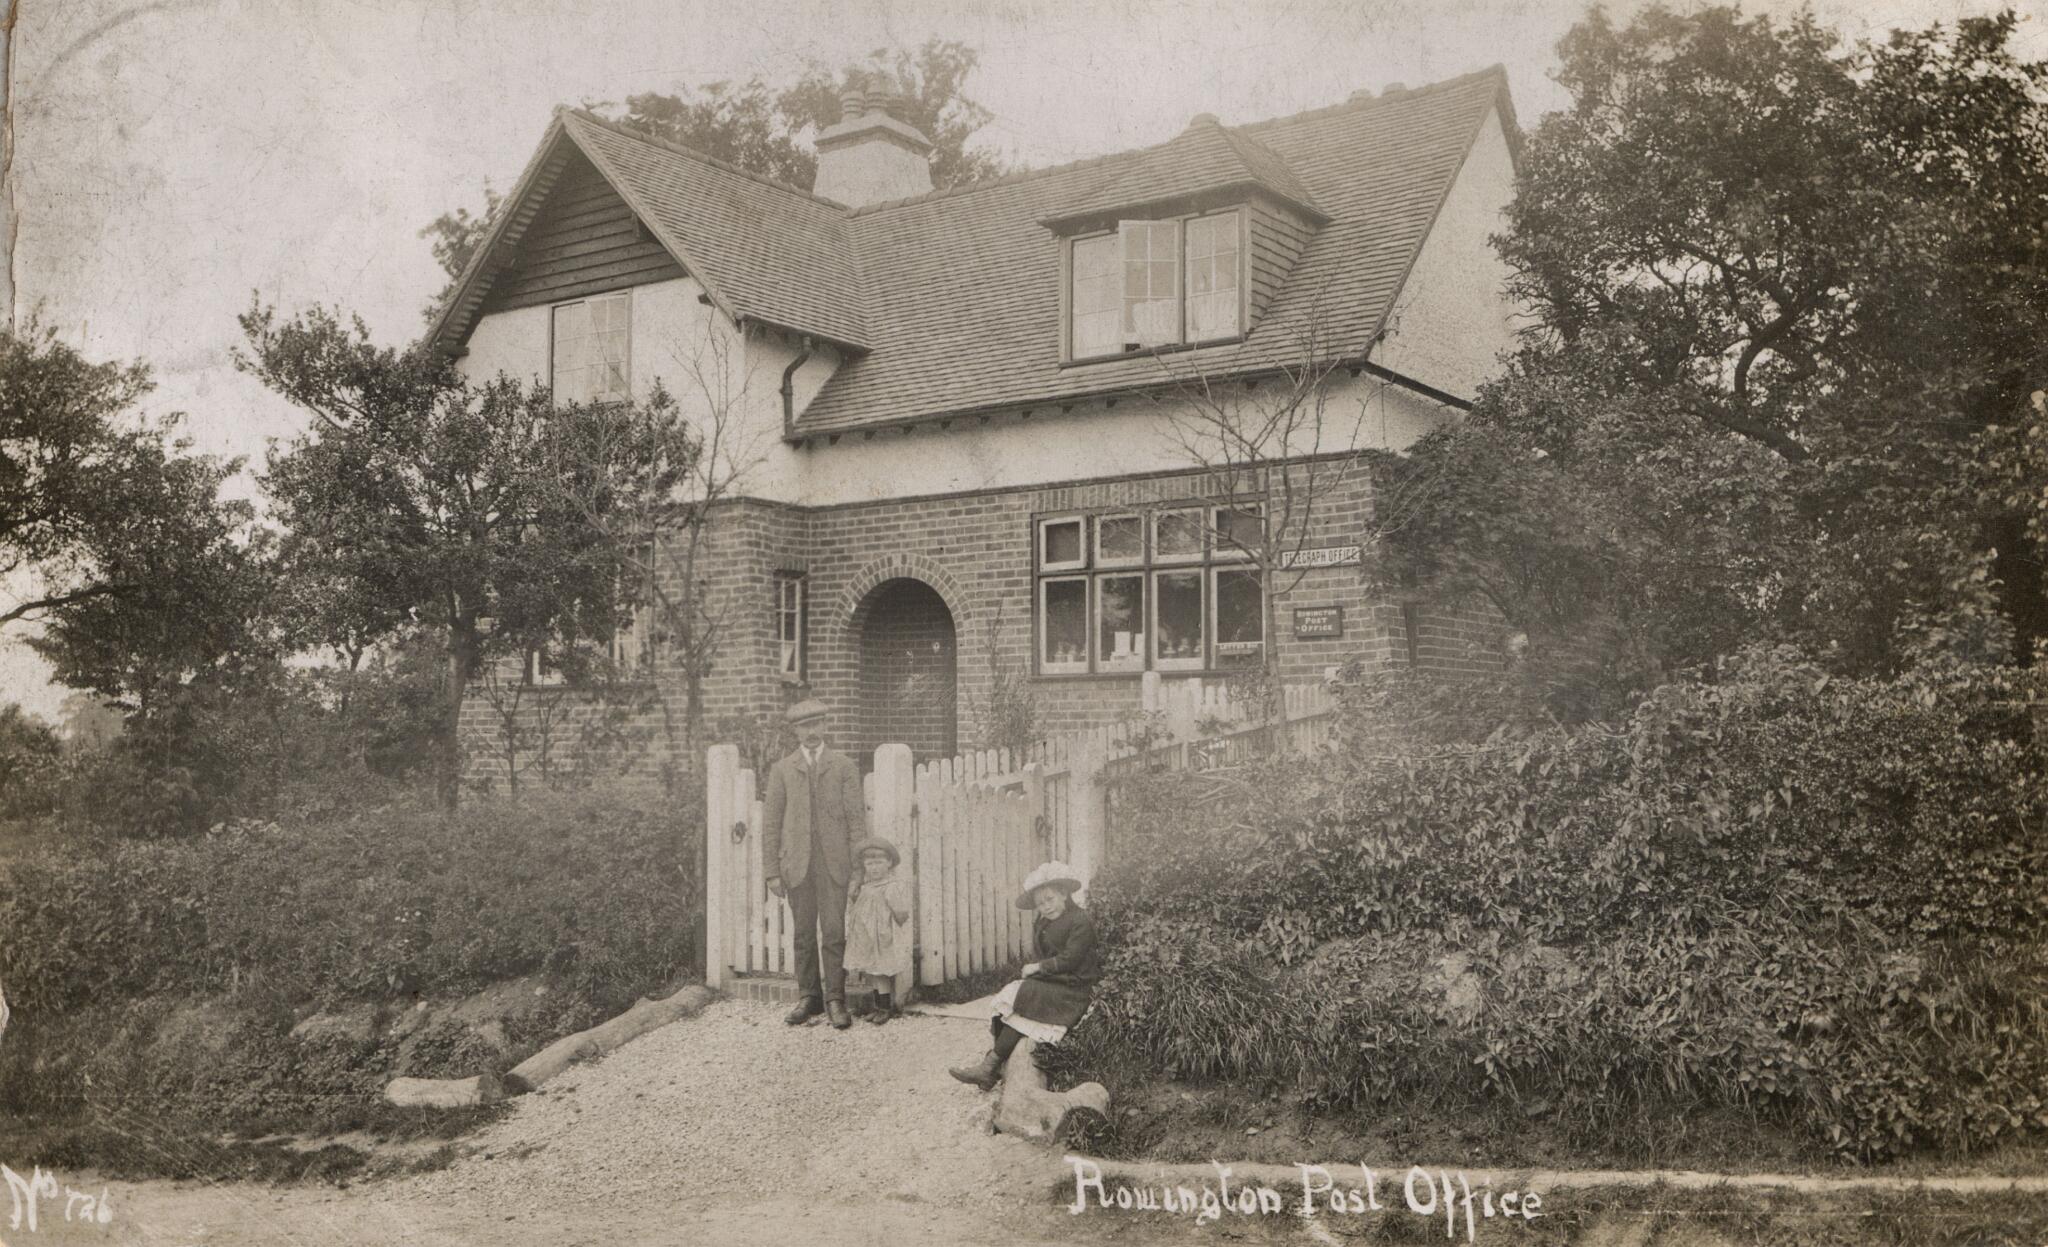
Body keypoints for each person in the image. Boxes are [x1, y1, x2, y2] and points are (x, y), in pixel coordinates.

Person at [949, 860, 1100, 1090]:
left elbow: (1071, 959)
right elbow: (1044, 954)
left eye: (1050, 899)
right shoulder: (1044, 922)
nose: (1046, 907)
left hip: (1075, 987)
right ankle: (992, 1066)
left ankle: (990, 1067)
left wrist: (1038, 968)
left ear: (1064, 894)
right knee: (1012, 994)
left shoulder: (1080, 920)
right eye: (1040, 904)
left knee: (1023, 997)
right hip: (1057, 981)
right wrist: (1037, 971)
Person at [762, 699, 866, 1030]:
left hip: (834, 864)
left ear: (825, 726)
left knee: (834, 932)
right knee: (803, 933)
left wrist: (858, 869)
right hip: (797, 865)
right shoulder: (782, 770)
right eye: (804, 726)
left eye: (816, 724)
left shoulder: (843, 766)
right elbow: (771, 824)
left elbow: (856, 821)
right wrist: (772, 871)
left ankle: (835, 999)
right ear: (795, 731)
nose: (811, 731)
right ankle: (809, 997)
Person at [843, 836, 913, 1025]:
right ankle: (876, 1007)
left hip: (881, 936)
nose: (874, 868)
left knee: (880, 972)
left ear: (889, 863)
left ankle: (885, 1008)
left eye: (879, 863)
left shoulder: (890, 887)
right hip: (866, 936)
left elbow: (901, 913)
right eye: (870, 864)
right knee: (872, 971)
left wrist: (895, 922)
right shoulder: (866, 887)